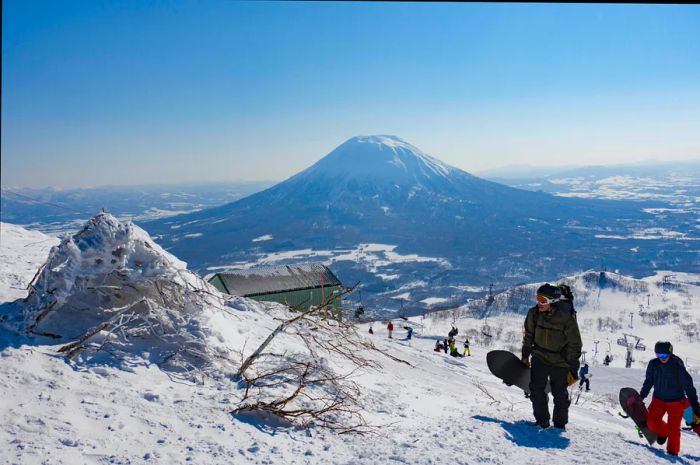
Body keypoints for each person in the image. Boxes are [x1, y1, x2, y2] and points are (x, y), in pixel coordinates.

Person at [521, 283, 582, 430]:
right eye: (537, 298)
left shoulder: (566, 318)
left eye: (543, 300)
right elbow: (528, 335)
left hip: (560, 361)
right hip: (539, 356)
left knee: (560, 394)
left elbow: (575, 344)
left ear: (552, 301)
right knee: (536, 389)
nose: (539, 303)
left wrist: (573, 368)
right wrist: (525, 356)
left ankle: (559, 424)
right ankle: (542, 421)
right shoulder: (533, 314)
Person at [639, 341, 700, 456]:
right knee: (651, 422)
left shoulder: (677, 366)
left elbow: (689, 387)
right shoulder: (653, 364)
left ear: (670, 353)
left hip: (676, 402)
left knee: (684, 426)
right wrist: (641, 396)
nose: (661, 358)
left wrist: (696, 407)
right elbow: (648, 382)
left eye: (664, 355)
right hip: (658, 400)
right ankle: (664, 432)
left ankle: (672, 453)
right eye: (658, 355)